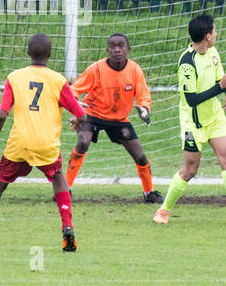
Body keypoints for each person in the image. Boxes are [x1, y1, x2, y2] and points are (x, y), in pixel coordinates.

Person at [0, 34, 86, 253]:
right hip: (46, 144)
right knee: (57, 176)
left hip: (19, 144)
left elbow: (2, 114)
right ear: (50, 55)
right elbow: (82, 114)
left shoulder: (15, 77)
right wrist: (77, 121)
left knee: (0, 183)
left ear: (27, 53)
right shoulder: (58, 80)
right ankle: (67, 226)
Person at [154, 13, 226, 226]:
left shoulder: (213, 52)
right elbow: (192, 99)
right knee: (190, 170)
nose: (216, 33)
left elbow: (220, 78)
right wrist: (220, 87)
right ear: (207, 36)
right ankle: (164, 210)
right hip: (192, 124)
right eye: (214, 30)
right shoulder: (187, 62)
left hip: (215, 118)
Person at [65, 33, 163, 204]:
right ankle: (66, 189)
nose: (117, 50)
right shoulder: (96, 69)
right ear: (107, 49)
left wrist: (144, 110)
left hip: (119, 119)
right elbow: (74, 90)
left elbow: (143, 97)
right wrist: (76, 105)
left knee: (139, 156)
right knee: (83, 141)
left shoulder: (134, 70)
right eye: (113, 46)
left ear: (128, 49)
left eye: (121, 46)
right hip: (93, 114)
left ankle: (149, 193)